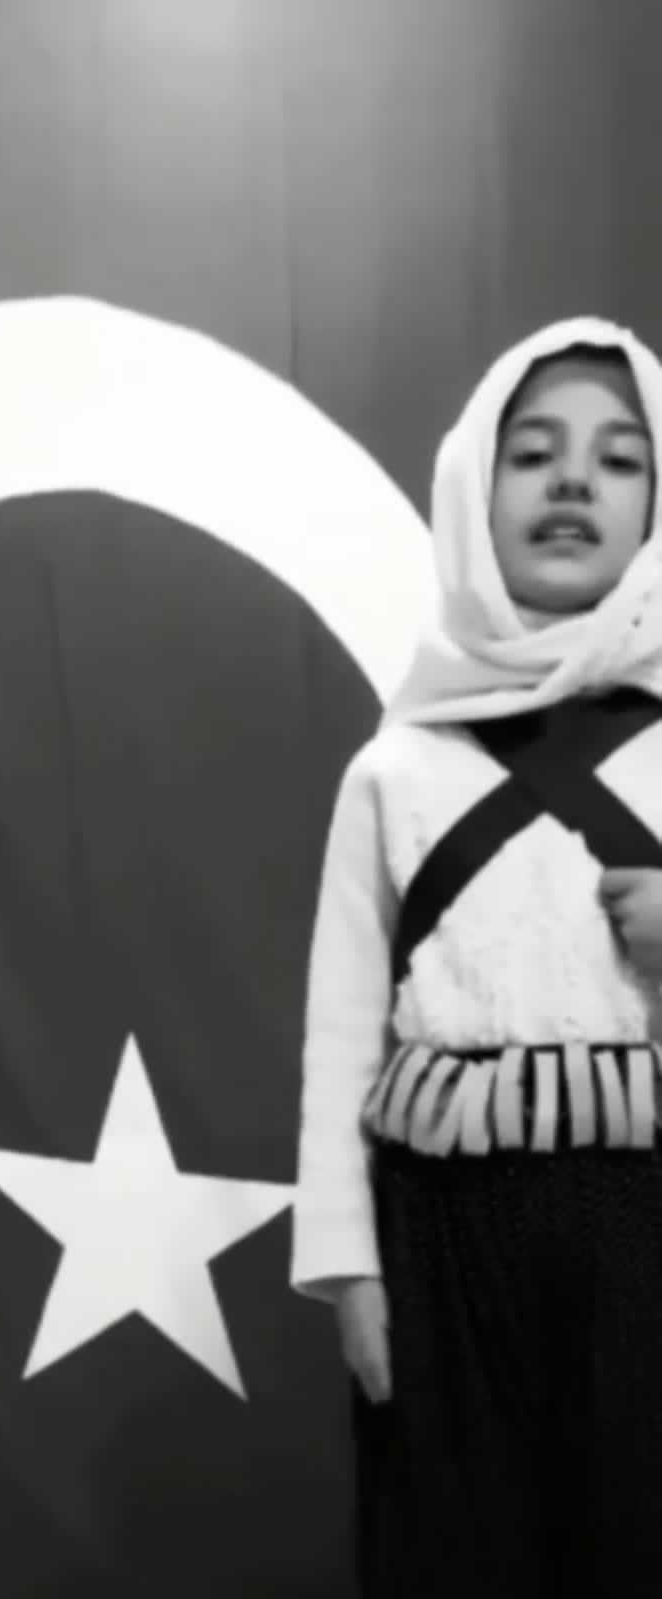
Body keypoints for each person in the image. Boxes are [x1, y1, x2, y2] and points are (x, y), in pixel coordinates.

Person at [290, 316, 662, 1598]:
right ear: (470, 490)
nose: (571, 483)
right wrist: (350, 1270)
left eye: (617, 459)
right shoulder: (393, 767)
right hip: (439, 1238)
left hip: (645, 1224)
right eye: (533, 453)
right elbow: (341, 1027)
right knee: (454, 1550)